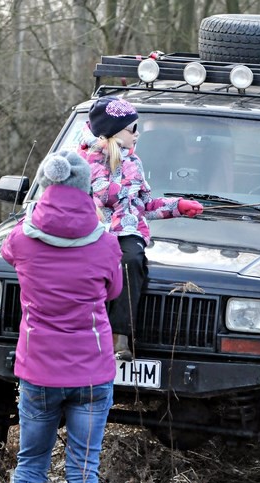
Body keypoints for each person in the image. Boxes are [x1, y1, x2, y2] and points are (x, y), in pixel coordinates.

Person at [0, 150, 123, 483]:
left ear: (47, 185)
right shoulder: (106, 243)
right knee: (84, 465)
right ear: (87, 189)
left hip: (38, 369)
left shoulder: (22, 239)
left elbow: (7, 252)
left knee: (31, 460)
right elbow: (114, 290)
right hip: (91, 371)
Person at [78, 96, 203, 360]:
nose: (138, 135)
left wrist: (178, 206)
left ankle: (119, 336)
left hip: (127, 230)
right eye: (132, 129)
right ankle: (83, 335)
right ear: (113, 132)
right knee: (89, 267)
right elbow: (102, 196)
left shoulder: (133, 162)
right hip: (94, 231)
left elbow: (146, 203)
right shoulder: (85, 160)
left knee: (131, 260)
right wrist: (110, 163)